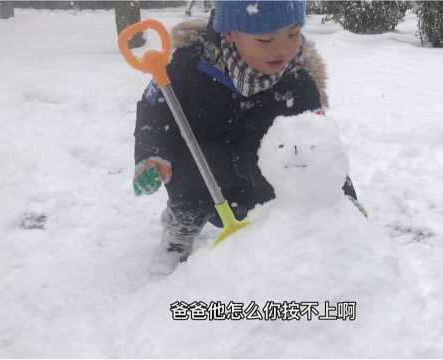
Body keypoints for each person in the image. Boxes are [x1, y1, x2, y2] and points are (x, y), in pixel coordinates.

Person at [132, 0, 361, 275]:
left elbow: (318, 149)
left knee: (285, 168)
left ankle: (268, 234)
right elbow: (156, 110)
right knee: (190, 167)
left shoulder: (297, 81)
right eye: (265, 39)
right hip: (202, 174)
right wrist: (152, 154)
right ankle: (181, 227)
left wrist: (341, 196)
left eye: (293, 33)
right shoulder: (188, 65)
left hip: (260, 185)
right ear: (230, 33)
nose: (283, 49)